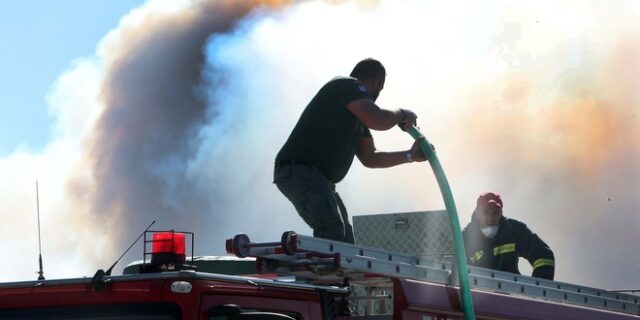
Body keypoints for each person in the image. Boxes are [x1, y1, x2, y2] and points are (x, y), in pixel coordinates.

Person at [274, 58, 427, 244]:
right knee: (332, 230)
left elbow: (370, 157)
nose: (378, 94)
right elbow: (378, 119)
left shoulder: (356, 116)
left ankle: (335, 271)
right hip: (301, 171)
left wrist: (411, 155)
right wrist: (402, 113)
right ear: (376, 82)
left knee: (345, 238)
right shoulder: (348, 85)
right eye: (380, 87)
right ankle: (318, 272)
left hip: (313, 177)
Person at [462, 192, 556, 280]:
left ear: (501, 213)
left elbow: (544, 256)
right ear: (477, 213)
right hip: (476, 294)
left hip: (510, 293)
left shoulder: (514, 230)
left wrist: (537, 288)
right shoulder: (464, 238)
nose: (491, 218)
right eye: (486, 212)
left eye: (495, 213)